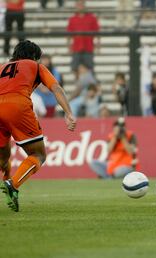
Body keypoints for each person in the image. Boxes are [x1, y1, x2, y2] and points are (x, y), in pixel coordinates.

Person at [0, 40, 76, 212]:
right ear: (34, 56)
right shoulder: (35, 66)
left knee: (3, 159)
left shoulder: (2, 67)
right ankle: (12, 184)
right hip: (17, 105)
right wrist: (68, 112)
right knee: (38, 154)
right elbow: (55, 88)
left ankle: (7, 181)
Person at [66, 0, 100, 77]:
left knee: (90, 68)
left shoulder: (92, 18)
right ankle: (78, 85)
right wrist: (69, 47)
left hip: (88, 47)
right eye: (78, 4)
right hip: (76, 48)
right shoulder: (72, 19)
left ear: (84, 5)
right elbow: (68, 34)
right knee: (75, 68)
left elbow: (97, 32)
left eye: (81, 4)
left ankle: (89, 86)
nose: (80, 6)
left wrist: (98, 46)